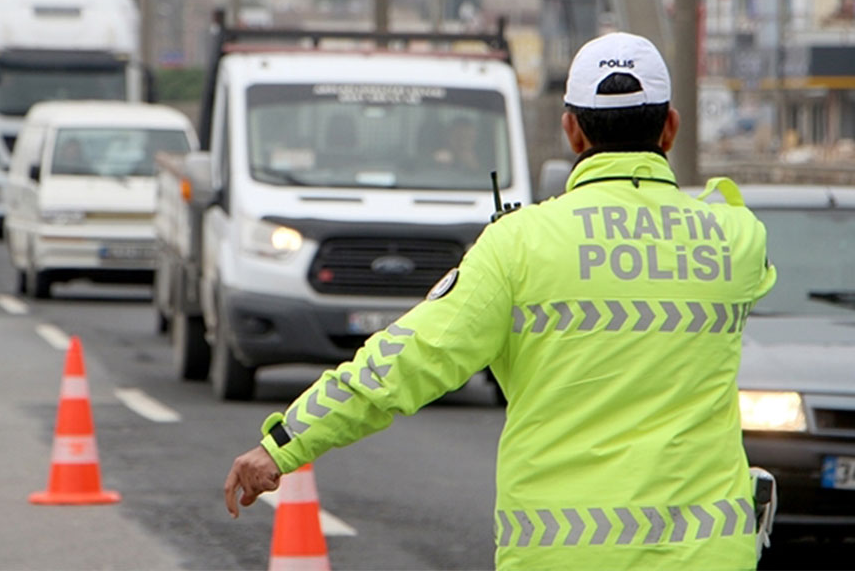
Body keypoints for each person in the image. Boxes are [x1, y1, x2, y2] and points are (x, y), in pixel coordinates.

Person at [223, 32, 776, 570]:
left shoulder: (519, 242)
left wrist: (285, 443)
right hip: (707, 553)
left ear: (572, 132)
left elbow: (404, 361)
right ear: (671, 127)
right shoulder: (734, 237)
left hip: (561, 552)